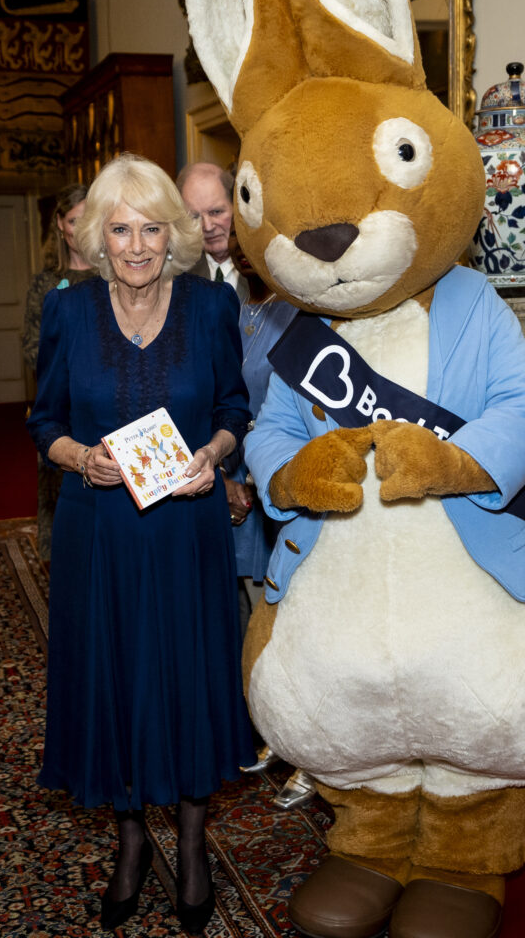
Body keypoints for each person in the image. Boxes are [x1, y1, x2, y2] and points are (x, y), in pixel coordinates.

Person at [26, 153, 254, 934]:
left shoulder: (209, 308)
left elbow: (232, 404)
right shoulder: (68, 312)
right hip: (99, 536)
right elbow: (44, 421)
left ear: (175, 234)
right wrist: (77, 459)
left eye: (151, 228)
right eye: (119, 229)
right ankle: (129, 841)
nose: (135, 245)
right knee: (115, 678)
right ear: (95, 235)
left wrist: (214, 455)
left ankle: (191, 844)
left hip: (187, 530)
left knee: (188, 677)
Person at [221, 243, 316, 811]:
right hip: (229, 479)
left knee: (292, 622)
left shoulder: (304, 308)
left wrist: (260, 478)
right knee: (248, 620)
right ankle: (271, 733)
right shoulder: (229, 300)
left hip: (283, 483)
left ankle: (312, 755)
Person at [22, 183, 95, 563]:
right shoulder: (46, 283)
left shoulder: (113, 277)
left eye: (89, 219)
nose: (81, 228)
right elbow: (32, 346)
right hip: (59, 406)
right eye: (73, 220)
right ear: (61, 226)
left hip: (98, 404)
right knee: (57, 492)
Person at [177, 162, 249, 303]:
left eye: (216, 212)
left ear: (236, 207)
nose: (208, 227)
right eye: (195, 217)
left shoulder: (263, 272)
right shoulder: (178, 275)